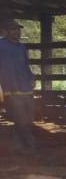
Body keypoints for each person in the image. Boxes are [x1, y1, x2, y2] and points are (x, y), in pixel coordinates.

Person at [0, 15, 37, 151]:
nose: (17, 32)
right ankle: (30, 145)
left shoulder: (21, 47)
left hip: (26, 88)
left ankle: (17, 145)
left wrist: (32, 77)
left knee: (29, 118)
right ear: (6, 31)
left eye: (18, 29)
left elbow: (26, 65)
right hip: (11, 89)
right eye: (13, 29)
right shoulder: (1, 45)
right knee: (21, 118)